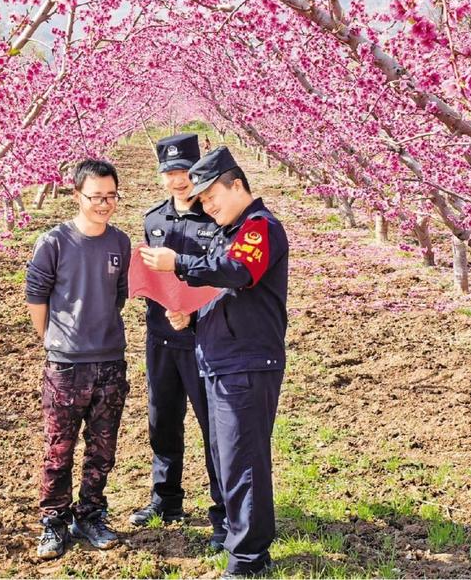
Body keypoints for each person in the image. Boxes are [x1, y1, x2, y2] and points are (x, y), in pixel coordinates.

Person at [140, 147, 288, 578]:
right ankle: (236, 540)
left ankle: (248, 559)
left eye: (211, 197)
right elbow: (221, 288)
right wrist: (191, 314)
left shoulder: (259, 227)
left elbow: (237, 272)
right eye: (201, 201)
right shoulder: (231, 229)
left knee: (243, 462)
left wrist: (179, 262)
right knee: (228, 457)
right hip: (219, 357)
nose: (207, 205)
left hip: (246, 361)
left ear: (237, 184)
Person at [25, 159, 132, 560]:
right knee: (59, 448)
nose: (104, 204)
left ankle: (90, 514)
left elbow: (119, 295)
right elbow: (36, 297)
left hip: (110, 359)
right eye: (95, 197)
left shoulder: (120, 243)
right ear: (77, 195)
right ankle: (53, 520)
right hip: (66, 364)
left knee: (102, 448)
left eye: (110, 196)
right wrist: (54, 340)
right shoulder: (54, 242)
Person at [131, 133, 227, 550]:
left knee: (213, 426)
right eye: (169, 173)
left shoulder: (216, 220)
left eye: (184, 172)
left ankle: (223, 510)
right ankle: (166, 499)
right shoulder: (154, 220)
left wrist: (193, 312)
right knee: (162, 420)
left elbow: (225, 279)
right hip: (160, 338)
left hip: (203, 339)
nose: (177, 181)